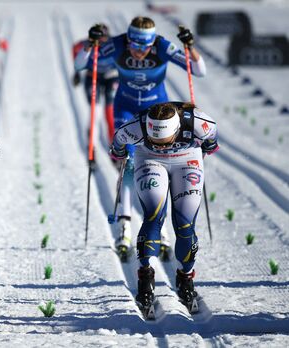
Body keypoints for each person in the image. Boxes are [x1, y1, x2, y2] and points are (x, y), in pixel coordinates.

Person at [75, 17, 206, 260]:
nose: (138, 51)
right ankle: (124, 227)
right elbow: (81, 64)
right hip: (125, 109)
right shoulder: (117, 45)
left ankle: (162, 230)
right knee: (128, 164)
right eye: (134, 45)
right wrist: (90, 45)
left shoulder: (162, 46)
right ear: (128, 38)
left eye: (144, 46)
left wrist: (190, 47)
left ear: (152, 42)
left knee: (160, 165)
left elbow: (199, 70)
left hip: (159, 113)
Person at [110, 101, 218, 313]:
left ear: (177, 129)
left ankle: (185, 277)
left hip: (187, 161)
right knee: (153, 214)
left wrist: (208, 146)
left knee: (185, 224)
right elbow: (118, 145)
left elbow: (212, 134)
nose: (161, 145)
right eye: (155, 141)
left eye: (165, 141)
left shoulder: (197, 121)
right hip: (150, 161)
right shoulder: (135, 127)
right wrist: (120, 154)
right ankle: (145, 277)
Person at [72, 23, 119, 144]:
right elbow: (75, 49)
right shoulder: (87, 43)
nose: (101, 41)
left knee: (110, 113)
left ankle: (114, 147)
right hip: (92, 77)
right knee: (95, 112)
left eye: (104, 37)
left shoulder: (114, 43)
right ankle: (92, 146)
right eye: (98, 38)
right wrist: (77, 72)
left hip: (111, 77)